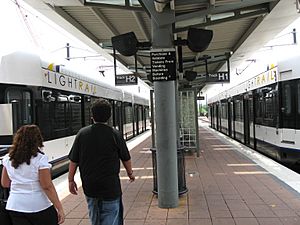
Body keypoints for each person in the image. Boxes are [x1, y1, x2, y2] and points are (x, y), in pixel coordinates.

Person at [68, 98, 135, 225]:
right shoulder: (115, 134)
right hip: (111, 187)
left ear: (92, 116)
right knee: (111, 217)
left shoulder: (82, 134)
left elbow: (73, 160)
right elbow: (126, 158)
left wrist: (71, 180)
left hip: (90, 187)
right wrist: (130, 173)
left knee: (95, 217)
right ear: (109, 116)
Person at [1, 125, 65, 225]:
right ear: (37, 140)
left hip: (15, 206)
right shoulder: (40, 159)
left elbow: (5, 183)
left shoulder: (8, 159)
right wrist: (59, 208)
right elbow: (47, 186)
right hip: (38, 206)